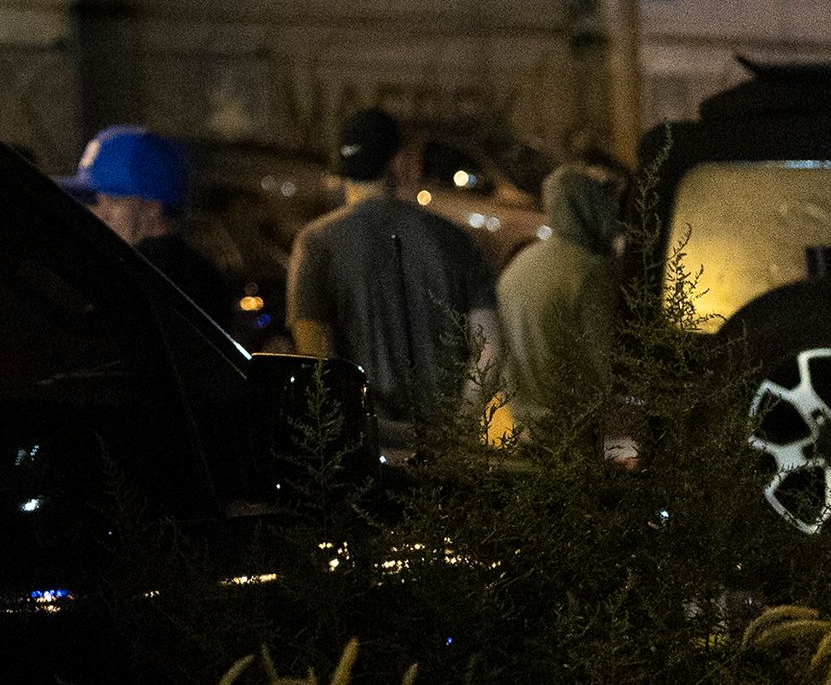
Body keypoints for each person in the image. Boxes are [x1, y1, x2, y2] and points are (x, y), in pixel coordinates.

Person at [285, 107, 497, 427]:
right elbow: (490, 348)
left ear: (341, 170)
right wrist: (456, 428)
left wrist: (360, 429)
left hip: (366, 444)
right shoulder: (456, 241)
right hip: (441, 442)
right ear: (398, 163)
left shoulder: (316, 244)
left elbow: (316, 360)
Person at [491, 160, 624, 444]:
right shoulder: (590, 272)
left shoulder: (520, 264)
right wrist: (624, 453)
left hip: (523, 432)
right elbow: (610, 368)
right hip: (574, 438)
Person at [63, 124, 239, 325]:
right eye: (93, 201)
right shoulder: (202, 276)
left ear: (152, 206)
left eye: (113, 200)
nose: (98, 214)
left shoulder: (139, 277)